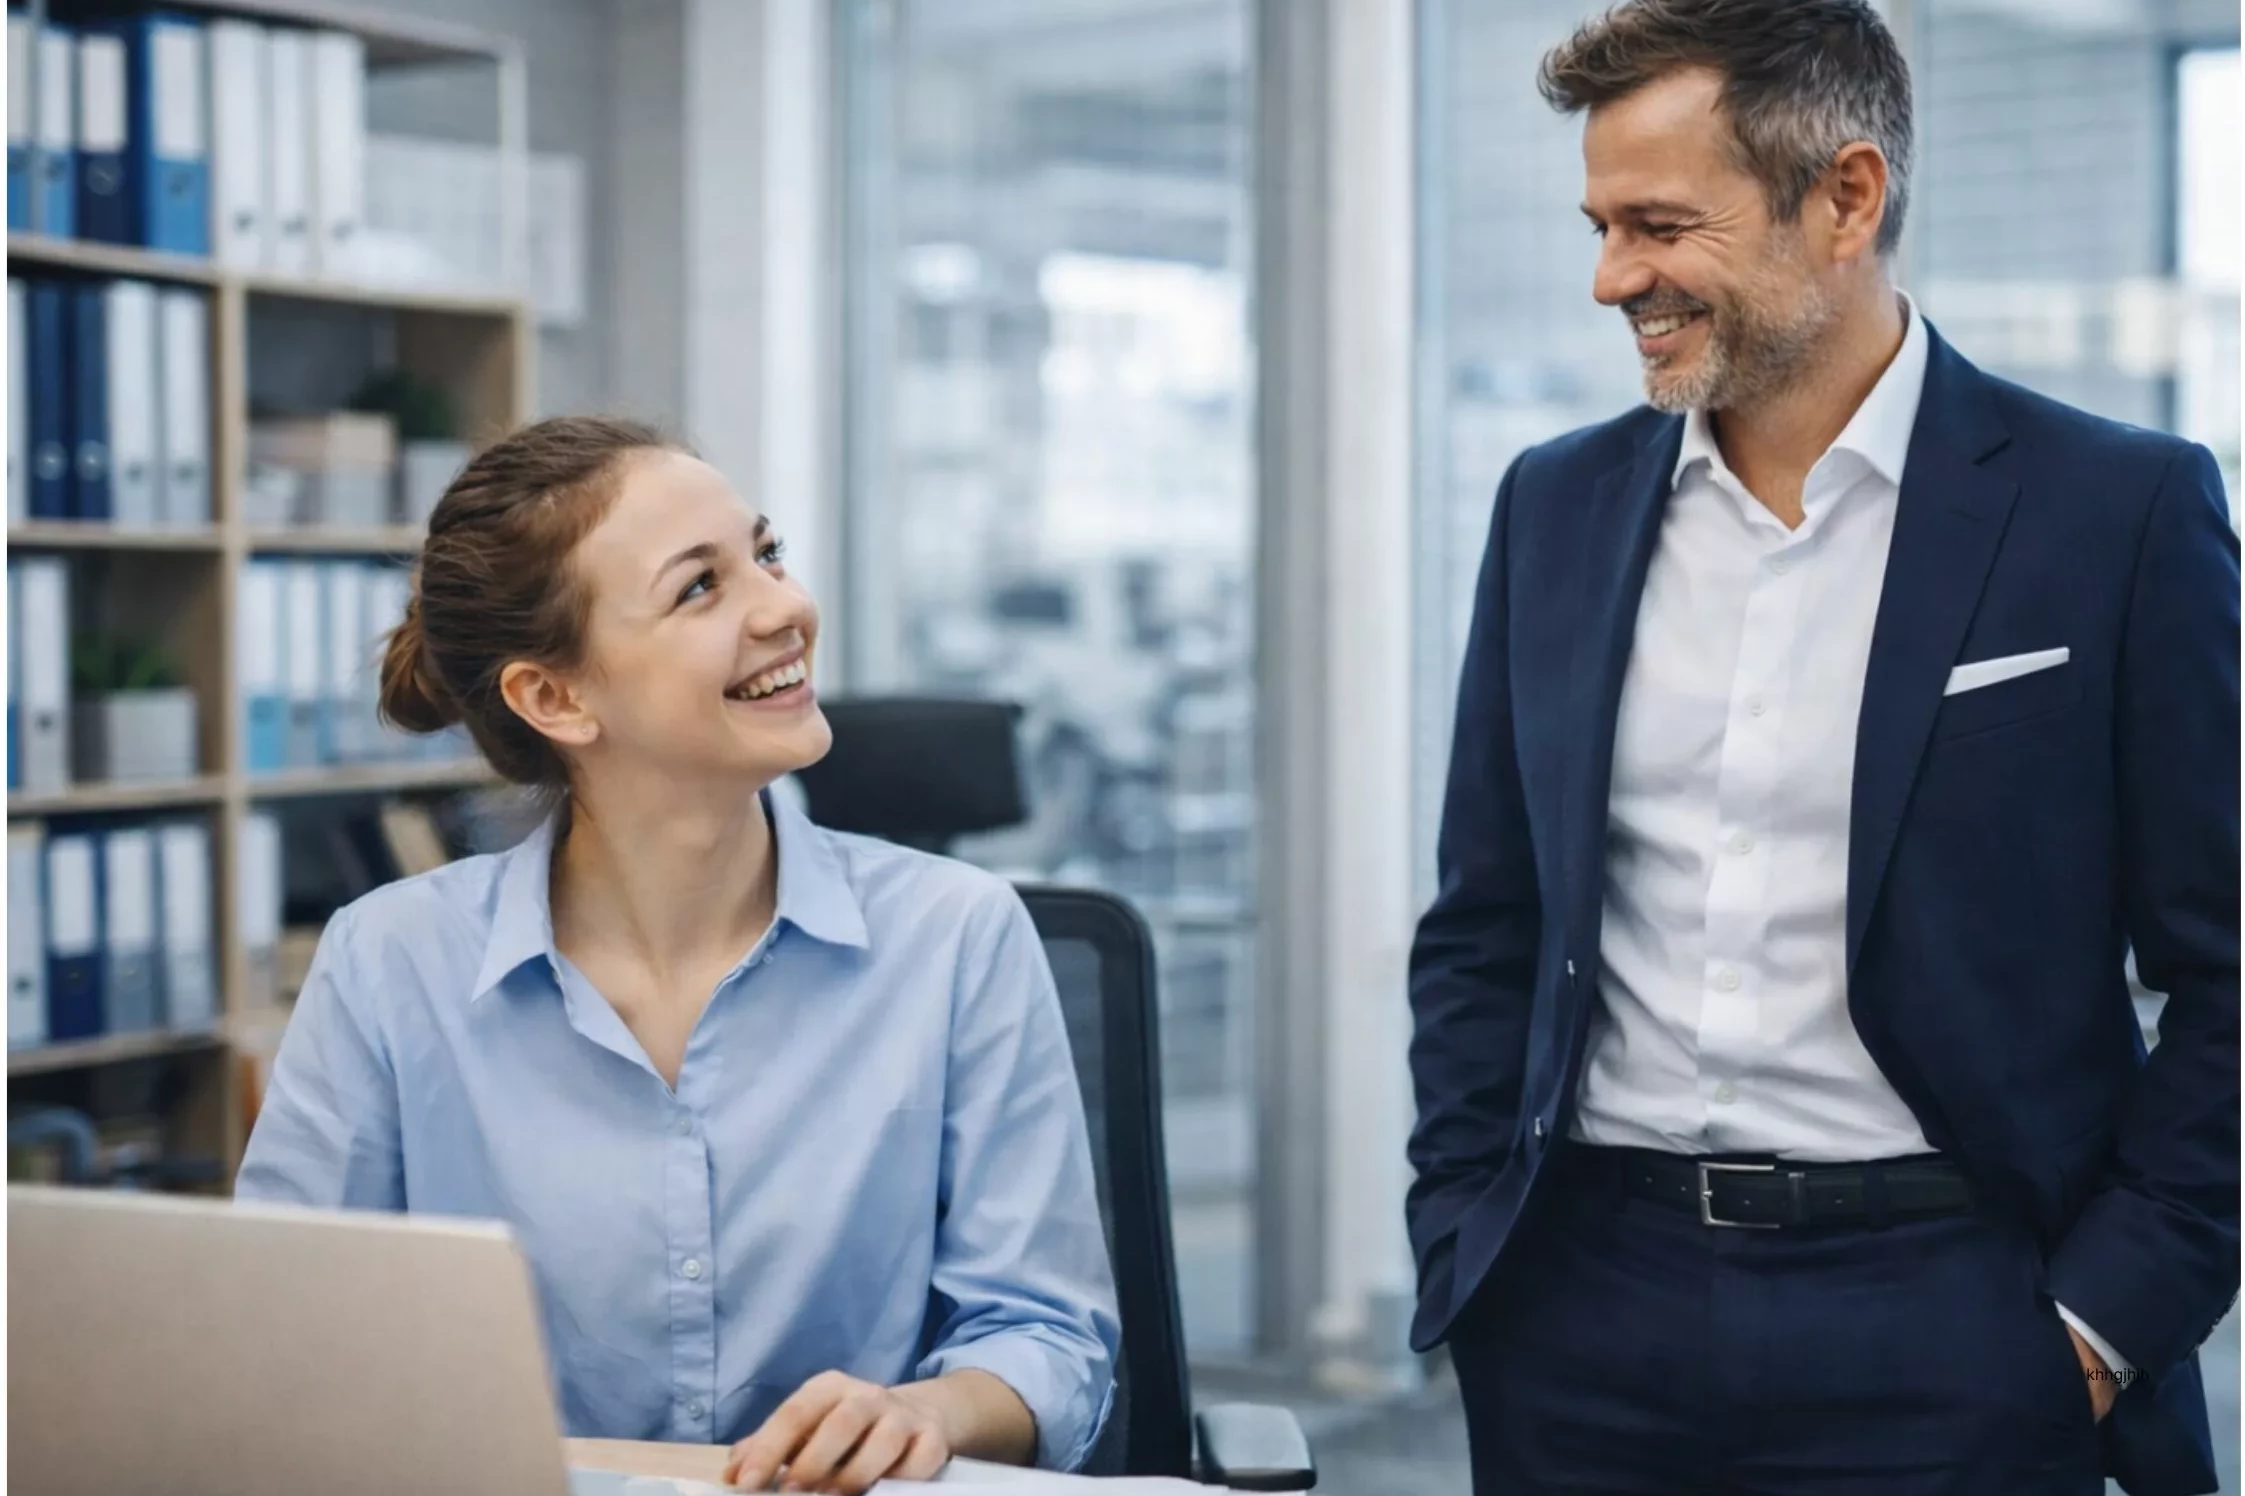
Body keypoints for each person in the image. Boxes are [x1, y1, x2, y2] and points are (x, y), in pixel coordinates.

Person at [1404, 3, 2238, 1493]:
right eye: (1601, 228)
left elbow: (2229, 961)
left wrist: (2105, 1317)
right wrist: (1468, 1240)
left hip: (1958, 1319)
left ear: (1845, 198)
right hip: (1583, 1316)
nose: (1612, 279)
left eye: (1661, 225)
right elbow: (1487, 921)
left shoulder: (2115, 511)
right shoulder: (1555, 506)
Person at [236, 416, 1119, 1495]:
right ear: (555, 697)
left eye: (767, 553)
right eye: (700, 586)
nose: (786, 607)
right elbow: (291, 1356)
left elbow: (1046, 1338)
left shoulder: (958, 933)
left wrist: (920, 1413)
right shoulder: (390, 961)